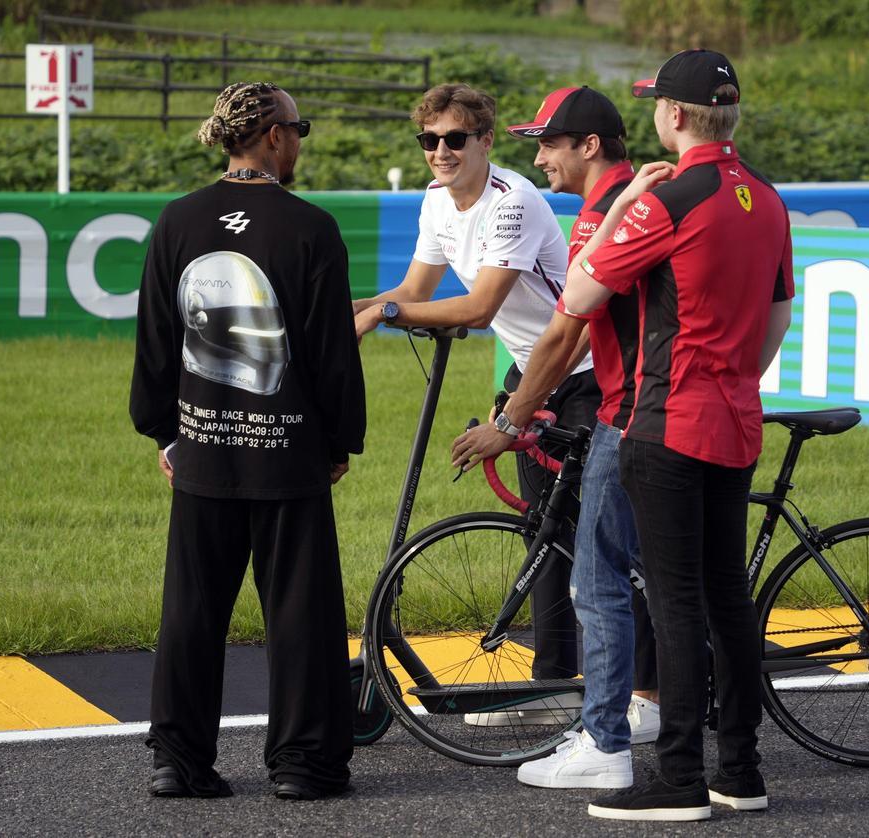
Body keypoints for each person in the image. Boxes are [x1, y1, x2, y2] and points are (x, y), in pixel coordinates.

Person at [554, 51, 794, 821]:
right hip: (736, 418)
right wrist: (731, 378)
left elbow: (580, 294)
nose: (655, 113)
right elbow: (775, 322)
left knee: (678, 603)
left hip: (667, 423)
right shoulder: (769, 197)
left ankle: (681, 777)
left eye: (657, 103)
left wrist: (623, 206)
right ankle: (741, 771)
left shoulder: (668, 198)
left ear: (677, 116)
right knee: (729, 597)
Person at [129, 82, 365, 801]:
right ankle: (304, 764)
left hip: (202, 448)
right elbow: (330, 354)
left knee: (191, 609)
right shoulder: (310, 227)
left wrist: (166, 433)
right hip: (287, 451)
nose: (300, 141)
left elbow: (157, 341)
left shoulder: (177, 219)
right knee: (300, 612)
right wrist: (339, 440)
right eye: (299, 128)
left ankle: (178, 759)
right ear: (271, 135)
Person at [353, 82, 598, 700]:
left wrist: (383, 316)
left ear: (486, 141)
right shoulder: (436, 199)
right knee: (543, 530)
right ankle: (554, 683)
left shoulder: (512, 201)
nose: (441, 151)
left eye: (456, 139)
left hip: (586, 369)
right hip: (533, 370)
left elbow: (480, 307)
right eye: (430, 139)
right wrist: (347, 309)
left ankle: (655, 680)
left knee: (599, 533)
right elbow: (412, 291)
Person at [450, 85, 661, 788]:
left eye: (549, 143)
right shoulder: (622, 200)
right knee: (659, 565)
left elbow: (566, 333)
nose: (539, 158)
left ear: (589, 146)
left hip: (626, 405)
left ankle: (615, 737)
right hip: (668, 401)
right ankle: (683, 721)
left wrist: (509, 421)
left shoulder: (609, 211)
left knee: (602, 572)